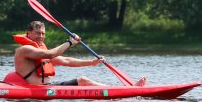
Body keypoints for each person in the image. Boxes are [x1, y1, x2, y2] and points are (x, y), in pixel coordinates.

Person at [12, 21, 147, 86]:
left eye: (43, 33)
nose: (41, 36)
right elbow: (51, 54)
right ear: (28, 34)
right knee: (82, 80)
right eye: (37, 33)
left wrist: (91, 62)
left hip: (47, 87)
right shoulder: (24, 50)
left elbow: (66, 61)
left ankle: (121, 89)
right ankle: (120, 91)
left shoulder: (39, 49)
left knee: (82, 79)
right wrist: (69, 42)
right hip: (39, 90)